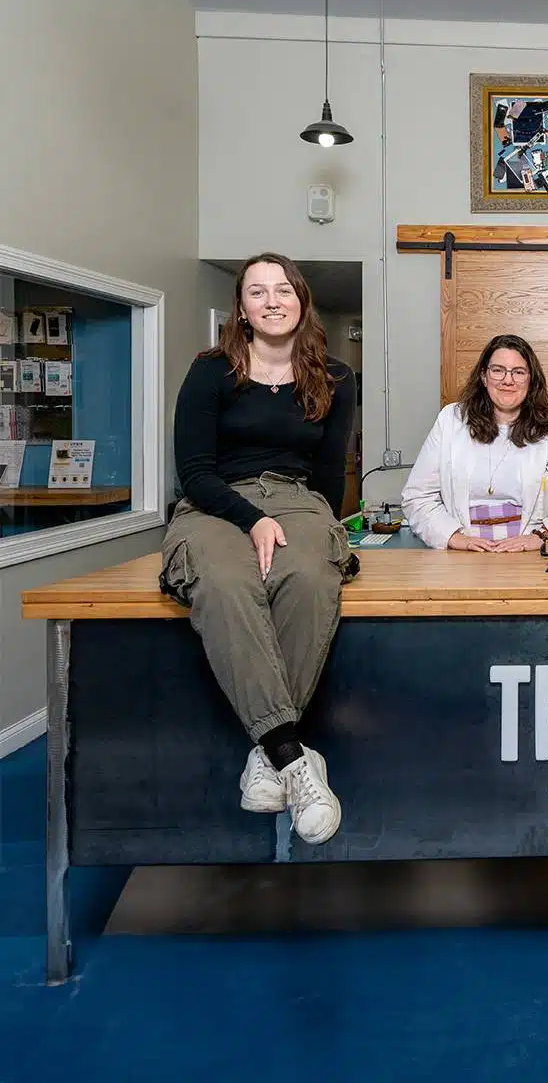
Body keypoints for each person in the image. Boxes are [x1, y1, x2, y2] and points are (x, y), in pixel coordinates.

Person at [160, 253, 358, 846]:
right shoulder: (210, 371)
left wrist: (315, 528)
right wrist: (253, 520)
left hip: (299, 500)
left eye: (282, 289)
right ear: (241, 309)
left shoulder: (336, 378)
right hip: (217, 501)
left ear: (301, 299)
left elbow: (328, 475)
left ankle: (265, 756)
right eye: (256, 292)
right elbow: (192, 471)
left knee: (310, 577)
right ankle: (291, 756)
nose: (272, 301)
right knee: (223, 582)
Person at [401, 334, 548, 551]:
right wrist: (453, 537)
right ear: (483, 376)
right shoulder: (451, 420)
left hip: (530, 555)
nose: (507, 380)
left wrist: (541, 537)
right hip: (462, 555)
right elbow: (417, 496)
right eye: (498, 370)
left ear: (531, 379)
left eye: (518, 372)